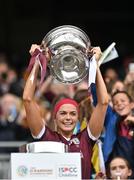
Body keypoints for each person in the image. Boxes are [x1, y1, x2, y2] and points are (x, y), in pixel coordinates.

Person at [23, 44, 109, 179]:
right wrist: (37, 62)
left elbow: (103, 102)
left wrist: (95, 65)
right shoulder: (46, 137)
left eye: (72, 114)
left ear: (77, 118)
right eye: (63, 113)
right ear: (55, 118)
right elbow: (28, 99)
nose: (68, 117)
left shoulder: (86, 139)